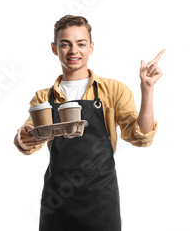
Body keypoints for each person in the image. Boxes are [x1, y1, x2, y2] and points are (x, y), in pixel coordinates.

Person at [13, 15, 163, 230]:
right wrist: (24, 137)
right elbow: (27, 142)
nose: (74, 51)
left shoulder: (113, 90)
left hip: (101, 198)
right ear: (55, 48)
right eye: (65, 44)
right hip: (57, 201)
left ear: (91, 47)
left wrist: (147, 89)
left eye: (81, 44)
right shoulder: (44, 97)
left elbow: (141, 136)